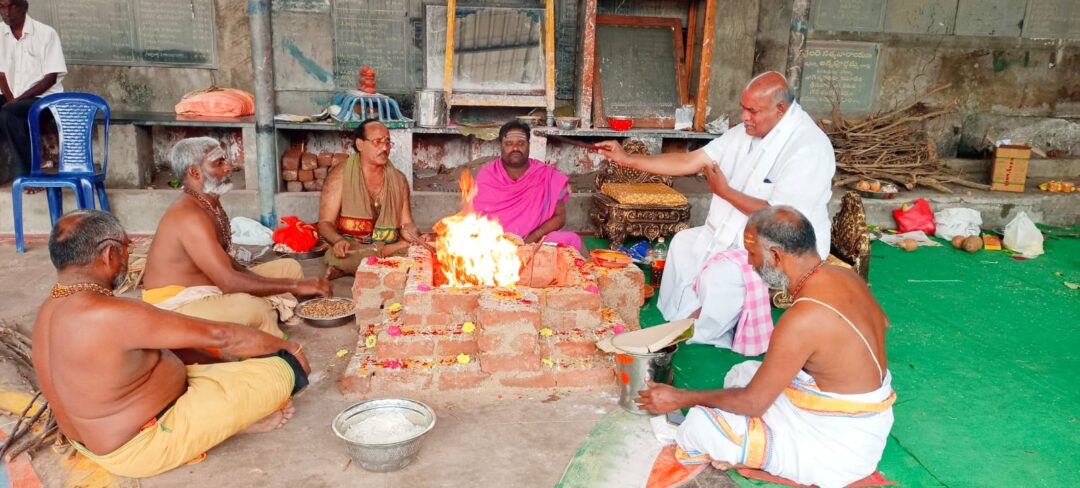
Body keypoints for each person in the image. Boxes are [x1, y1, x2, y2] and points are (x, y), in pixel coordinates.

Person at [32, 210, 311, 478]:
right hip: (141, 445)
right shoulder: (111, 314)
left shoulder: (48, 309)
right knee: (278, 372)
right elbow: (221, 336)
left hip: (97, 437)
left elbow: (181, 346)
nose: (127, 257)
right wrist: (291, 350)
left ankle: (223, 417)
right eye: (126, 248)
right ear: (109, 253)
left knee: (228, 364)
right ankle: (226, 425)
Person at [636, 206, 894, 488]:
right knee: (743, 372)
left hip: (835, 448)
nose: (748, 261)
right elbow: (883, 321)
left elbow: (754, 404)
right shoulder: (845, 276)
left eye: (751, 253)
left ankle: (750, 453)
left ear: (775, 256)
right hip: (865, 420)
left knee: (699, 427)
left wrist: (681, 398)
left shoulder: (803, 317)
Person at [596, 71, 835, 353]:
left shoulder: (809, 147)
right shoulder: (745, 133)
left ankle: (702, 332)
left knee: (722, 275)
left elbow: (783, 217)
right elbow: (692, 160)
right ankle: (680, 320)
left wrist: (725, 193)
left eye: (752, 111)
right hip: (735, 234)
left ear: (780, 109)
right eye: (744, 108)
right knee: (683, 245)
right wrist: (628, 160)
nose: (744, 116)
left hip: (780, 247)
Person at [142, 137, 331, 338]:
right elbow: (229, 282)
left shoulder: (208, 204)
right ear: (194, 172)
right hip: (177, 305)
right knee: (253, 308)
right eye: (219, 163)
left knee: (289, 268)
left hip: (211, 285)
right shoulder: (189, 217)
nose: (228, 167)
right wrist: (296, 286)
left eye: (226, 160)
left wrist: (268, 284)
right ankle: (272, 347)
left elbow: (229, 265)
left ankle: (260, 319)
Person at [318, 119, 421, 278]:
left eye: (387, 142)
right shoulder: (340, 175)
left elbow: (405, 223)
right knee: (339, 254)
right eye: (377, 142)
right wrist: (338, 241)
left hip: (389, 244)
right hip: (353, 246)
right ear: (360, 145)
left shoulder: (398, 179)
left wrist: (415, 236)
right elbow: (325, 223)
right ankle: (376, 263)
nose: (384, 147)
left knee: (418, 251)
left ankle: (355, 268)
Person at [470, 120, 583, 253]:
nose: (515, 148)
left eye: (521, 143)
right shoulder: (487, 175)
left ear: (529, 145)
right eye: (509, 144)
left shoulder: (545, 174)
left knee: (571, 240)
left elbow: (560, 217)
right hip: (495, 246)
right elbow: (475, 219)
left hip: (533, 243)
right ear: (501, 146)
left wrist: (531, 238)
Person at [0, 0, 66, 181]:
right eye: (2, 7)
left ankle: (27, 174)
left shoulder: (46, 34)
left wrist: (17, 100)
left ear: (24, 7)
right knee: (7, 112)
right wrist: (11, 98)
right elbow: (2, 77)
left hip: (43, 99)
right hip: (11, 97)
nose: (6, 12)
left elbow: (50, 78)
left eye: (12, 6)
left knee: (7, 114)